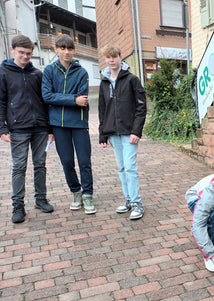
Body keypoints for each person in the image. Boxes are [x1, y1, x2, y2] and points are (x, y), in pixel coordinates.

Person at [0, 34, 54, 223]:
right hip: (18, 128)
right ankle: (18, 207)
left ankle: (41, 199)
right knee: (19, 167)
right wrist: (2, 128)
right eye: (22, 53)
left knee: (40, 165)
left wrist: (50, 128)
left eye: (29, 54)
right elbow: (1, 101)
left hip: (40, 127)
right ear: (12, 49)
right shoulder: (3, 72)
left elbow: (45, 102)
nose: (25, 57)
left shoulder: (37, 74)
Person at [42, 34, 95, 214]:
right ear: (56, 49)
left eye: (70, 48)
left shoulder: (81, 72)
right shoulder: (49, 71)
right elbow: (47, 96)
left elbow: (84, 98)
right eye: (62, 48)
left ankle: (87, 194)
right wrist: (73, 99)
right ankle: (76, 192)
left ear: (74, 50)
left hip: (79, 123)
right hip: (59, 124)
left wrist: (59, 99)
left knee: (84, 161)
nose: (66, 52)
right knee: (66, 162)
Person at [98, 43, 147, 220]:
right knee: (122, 168)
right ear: (105, 59)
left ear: (120, 57)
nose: (111, 60)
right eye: (108, 57)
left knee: (130, 167)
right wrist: (103, 133)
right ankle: (128, 200)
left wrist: (137, 131)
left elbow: (141, 107)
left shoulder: (132, 79)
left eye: (114, 56)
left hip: (129, 132)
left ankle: (136, 203)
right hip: (113, 133)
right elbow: (102, 108)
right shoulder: (104, 82)